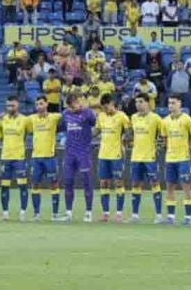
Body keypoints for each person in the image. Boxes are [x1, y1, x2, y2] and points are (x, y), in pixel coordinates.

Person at [160, 95, 191, 225]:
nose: (171, 105)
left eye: (173, 103)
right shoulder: (164, 121)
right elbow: (165, 140)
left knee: (186, 187)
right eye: (169, 103)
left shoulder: (187, 119)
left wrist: (190, 150)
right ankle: (171, 216)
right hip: (170, 158)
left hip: (183, 158)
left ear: (180, 104)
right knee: (170, 187)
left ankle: (188, 217)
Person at [58, 92, 97, 221]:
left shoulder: (88, 113)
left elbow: (95, 123)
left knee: (87, 182)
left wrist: (85, 109)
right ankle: (68, 213)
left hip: (83, 152)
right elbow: (62, 128)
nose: (72, 107)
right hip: (69, 153)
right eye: (70, 105)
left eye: (74, 103)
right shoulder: (65, 114)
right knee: (68, 182)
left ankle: (88, 212)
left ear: (79, 101)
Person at [94, 95, 129, 223]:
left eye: (106, 107)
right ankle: (105, 213)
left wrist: (126, 138)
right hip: (103, 154)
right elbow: (96, 131)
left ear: (112, 103)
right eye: (103, 108)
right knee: (104, 183)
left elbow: (129, 132)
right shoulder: (101, 116)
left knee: (118, 182)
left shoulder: (122, 116)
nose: (105, 110)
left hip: (116, 154)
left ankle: (119, 213)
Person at [128, 96, 162, 224]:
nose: (138, 104)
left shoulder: (156, 118)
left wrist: (160, 145)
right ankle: (135, 215)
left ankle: (158, 215)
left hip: (150, 157)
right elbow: (131, 134)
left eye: (141, 101)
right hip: (136, 156)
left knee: (154, 183)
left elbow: (163, 134)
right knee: (136, 184)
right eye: (136, 101)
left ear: (148, 103)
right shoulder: (133, 118)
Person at [0, 97, 30, 221]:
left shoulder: (25, 120)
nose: (10, 108)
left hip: (19, 157)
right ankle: (5, 212)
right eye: (8, 106)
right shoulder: (2, 119)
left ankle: (23, 212)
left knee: (23, 185)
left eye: (13, 106)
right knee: (5, 186)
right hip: (5, 157)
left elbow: (29, 132)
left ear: (18, 105)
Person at [26, 97, 59, 223]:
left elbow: (67, 114)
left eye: (41, 103)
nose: (39, 106)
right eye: (37, 104)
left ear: (47, 104)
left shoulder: (54, 117)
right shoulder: (31, 119)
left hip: (50, 156)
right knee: (35, 184)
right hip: (36, 157)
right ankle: (36, 213)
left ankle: (55, 214)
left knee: (54, 184)